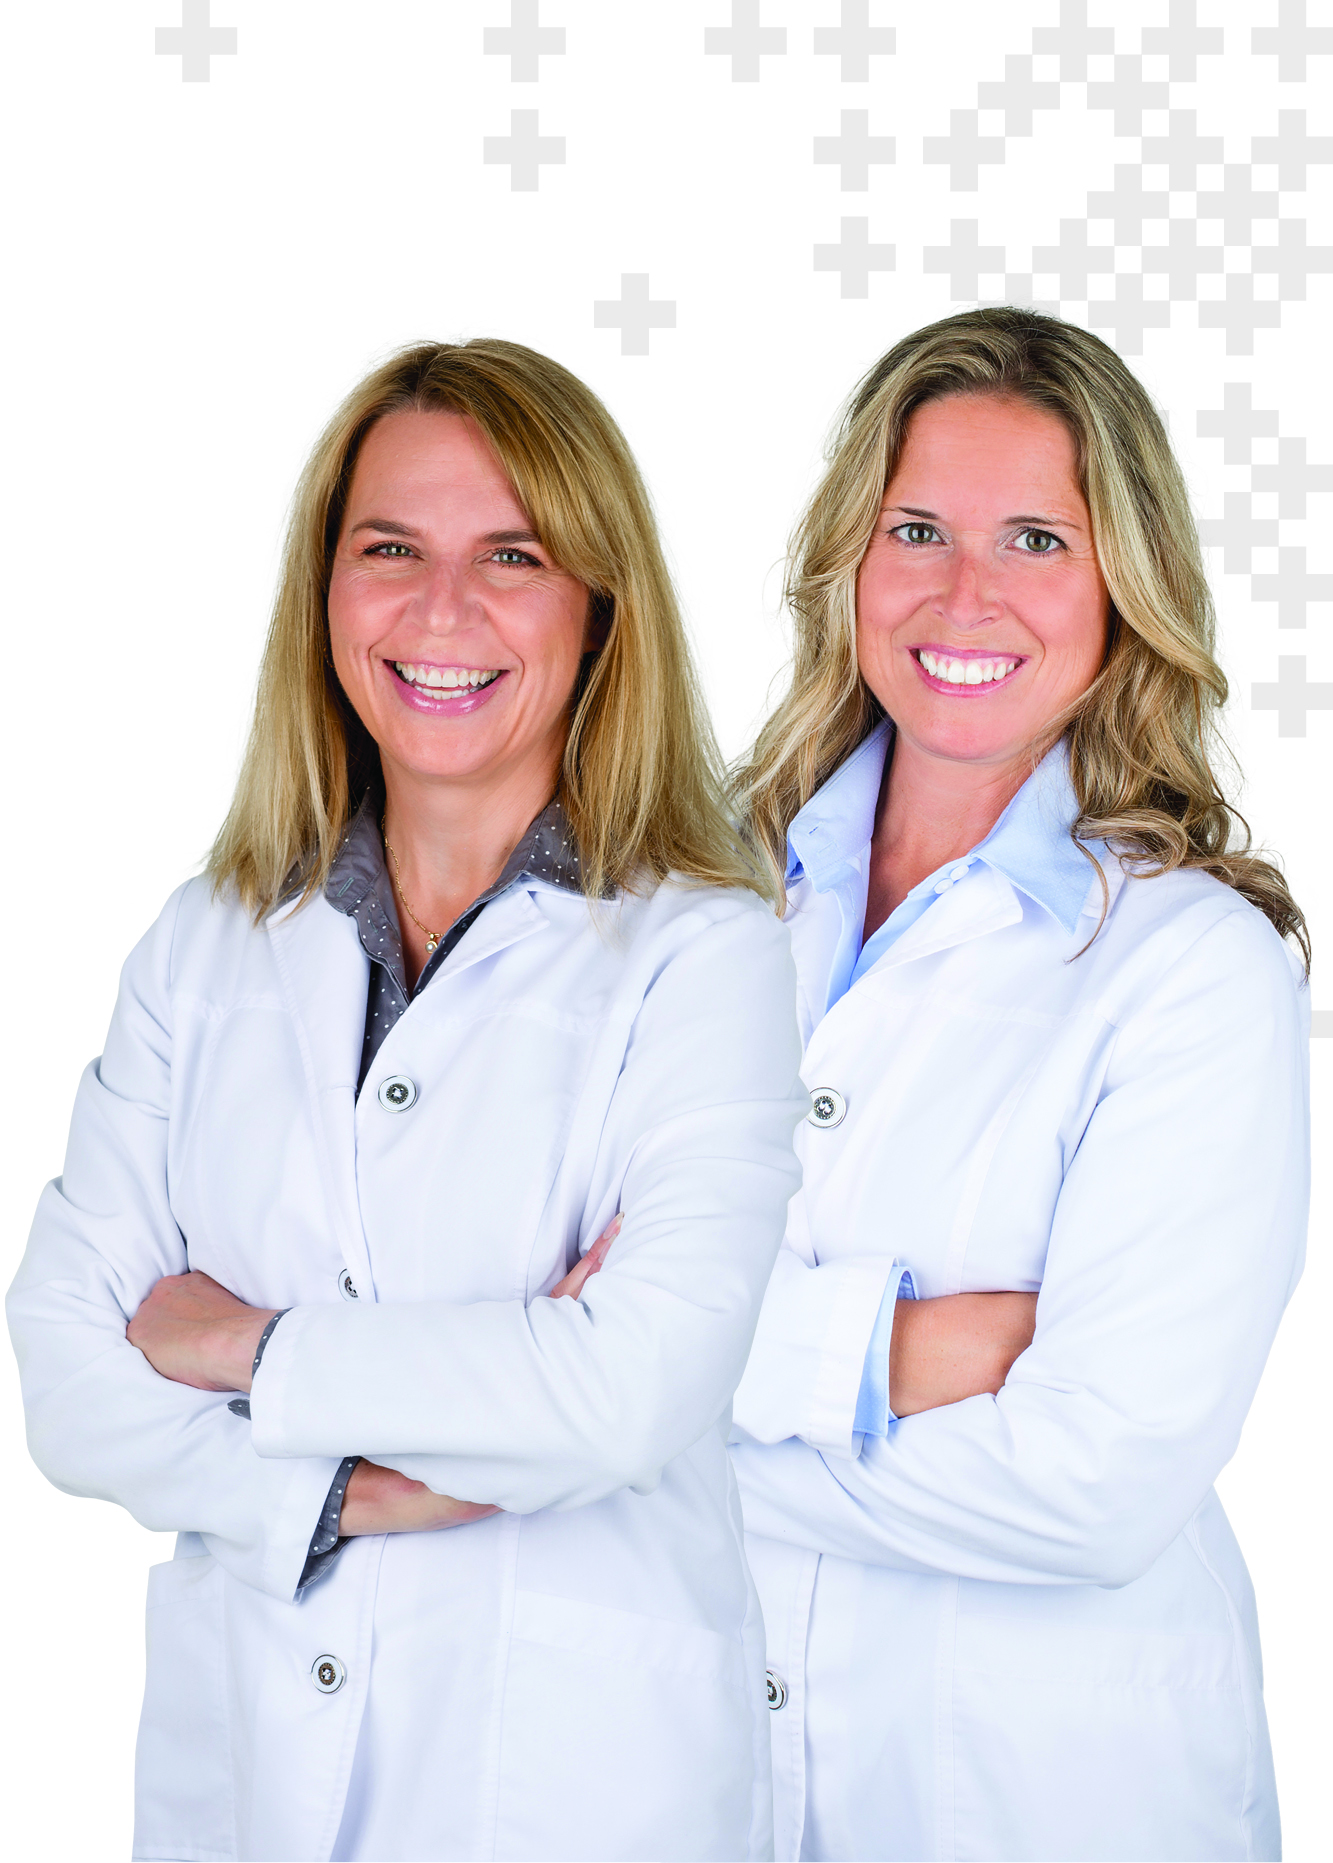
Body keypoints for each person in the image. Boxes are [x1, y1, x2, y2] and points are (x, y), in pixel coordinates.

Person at [7, 339, 811, 1863]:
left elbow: (625, 1392)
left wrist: (243, 1348)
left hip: (575, 1789)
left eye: (513, 555)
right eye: (391, 550)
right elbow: (66, 1373)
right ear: (325, 594)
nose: (443, 610)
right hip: (244, 1772)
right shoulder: (207, 941)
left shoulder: (703, 954)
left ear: (600, 607)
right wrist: (355, 1490)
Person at [727, 308, 1310, 1863]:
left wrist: (627, 1437)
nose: (963, 593)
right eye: (917, 528)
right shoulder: (694, 903)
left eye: (1036, 539)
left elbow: (1091, 1484)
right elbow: (514, 1296)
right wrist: (888, 1357)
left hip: (1048, 1801)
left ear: (1126, 585)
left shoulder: (1190, 968)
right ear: (850, 561)